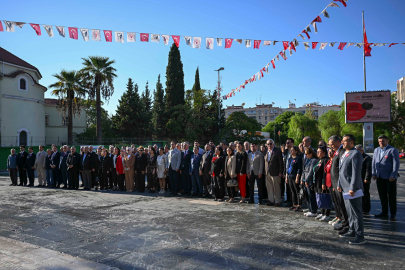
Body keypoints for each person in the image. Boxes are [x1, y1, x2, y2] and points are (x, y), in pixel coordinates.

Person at [337, 134, 366, 245]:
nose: (342, 143)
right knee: (350, 211)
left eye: (345, 141)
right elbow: (341, 171)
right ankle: (352, 230)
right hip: (345, 187)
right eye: (342, 141)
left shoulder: (356, 153)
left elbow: (356, 172)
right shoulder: (345, 153)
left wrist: (352, 187)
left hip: (352, 189)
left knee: (356, 212)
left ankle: (360, 236)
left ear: (352, 142)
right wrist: (339, 183)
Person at [372, 135, 400, 221]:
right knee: (382, 196)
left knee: (391, 196)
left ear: (387, 141)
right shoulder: (376, 150)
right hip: (379, 177)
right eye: (380, 141)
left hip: (389, 178)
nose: (381, 142)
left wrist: (393, 175)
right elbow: (374, 162)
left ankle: (393, 214)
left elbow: (396, 163)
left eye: (383, 141)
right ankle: (384, 212)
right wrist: (374, 173)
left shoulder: (392, 150)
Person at [328, 135, 350, 234]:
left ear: (338, 142)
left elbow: (342, 169)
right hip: (336, 183)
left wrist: (339, 184)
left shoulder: (341, 152)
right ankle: (344, 223)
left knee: (342, 205)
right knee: (339, 204)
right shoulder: (337, 151)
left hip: (340, 184)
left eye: (332, 144)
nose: (331, 146)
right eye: (330, 145)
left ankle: (346, 225)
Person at [264, 139, 284, 206]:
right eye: (268, 144)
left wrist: (280, 172)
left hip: (276, 172)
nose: (269, 145)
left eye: (270, 144)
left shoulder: (277, 151)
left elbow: (281, 163)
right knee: (269, 187)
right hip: (268, 172)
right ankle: (271, 200)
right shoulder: (266, 151)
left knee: (276, 188)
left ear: (273, 144)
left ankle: (277, 201)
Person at [313, 146, 330, 221]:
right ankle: (322, 212)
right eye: (317, 151)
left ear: (324, 152)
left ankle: (327, 214)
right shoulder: (319, 160)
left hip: (322, 182)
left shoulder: (325, 160)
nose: (318, 153)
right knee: (320, 197)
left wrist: (323, 183)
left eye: (320, 151)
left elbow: (324, 173)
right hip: (317, 182)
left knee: (325, 198)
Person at [355, 145, 372, 215]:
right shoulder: (356, 157)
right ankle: (360, 207)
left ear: (361, 151)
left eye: (357, 151)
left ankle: (366, 209)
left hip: (364, 179)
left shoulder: (367, 158)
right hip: (357, 179)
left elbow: (369, 169)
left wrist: (367, 178)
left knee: (365, 194)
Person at [301, 147, 318, 217]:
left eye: (307, 154)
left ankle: (314, 210)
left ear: (311, 153)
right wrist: (302, 179)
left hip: (309, 181)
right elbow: (304, 170)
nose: (306, 155)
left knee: (311, 196)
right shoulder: (306, 160)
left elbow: (311, 171)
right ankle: (310, 209)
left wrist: (307, 180)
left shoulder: (314, 160)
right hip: (305, 180)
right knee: (307, 196)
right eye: (305, 154)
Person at [286, 146, 303, 212]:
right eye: (291, 150)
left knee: (297, 191)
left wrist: (298, 177)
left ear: (296, 151)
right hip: (290, 176)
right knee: (292, 191)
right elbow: (288, 168)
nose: (291, 151)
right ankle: (294, 204)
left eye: (292, 150)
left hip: (295, 176)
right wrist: (287, 176)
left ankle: (299, 205)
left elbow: (299, 168)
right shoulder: (290, 158)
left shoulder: (298, 158)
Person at [282, 138, 294, 205]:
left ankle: (293, 201)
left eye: (288, 142)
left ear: (292, 143)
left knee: (292, 187)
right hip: (286, 171)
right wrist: (284, 172)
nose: (287, 144)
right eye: (286, 142)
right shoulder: (286, 151)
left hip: (292, 172)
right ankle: (288, 199)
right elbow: (284, 162)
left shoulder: (295, 151)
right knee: (287, 186)